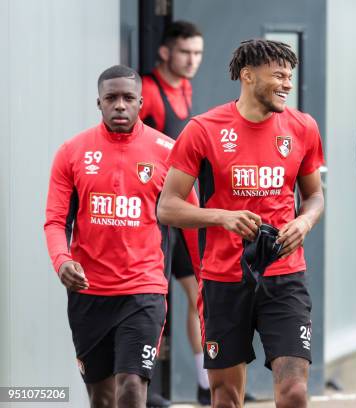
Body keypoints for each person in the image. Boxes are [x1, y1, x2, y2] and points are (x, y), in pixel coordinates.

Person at [157, 39, 325, 408]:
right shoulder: (202, 129)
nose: (288, 84)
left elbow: (314, 196)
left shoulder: (302, 127)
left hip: (285, 275)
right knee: (226, 397)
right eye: (278, 75)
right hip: (223, 280)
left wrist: (306, 221)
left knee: (295, 390)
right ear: (247, 76)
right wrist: (222, 216)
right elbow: (166, 208)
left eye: (290, 76)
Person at [44, 65, 198, 407]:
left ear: (141, 102)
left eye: (128, 98)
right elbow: (55, 220)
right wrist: (62, 261)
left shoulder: (168, 151)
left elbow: (192, 222)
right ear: (98, 102)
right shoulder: (72, 152)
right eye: (111, 98)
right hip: (89, 293)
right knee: (101, 398)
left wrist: (206, 283)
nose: (119, 105)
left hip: (144, 291)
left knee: (131, 386)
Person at [138, 20, 211, 406]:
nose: (192, 60)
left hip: (182, 208)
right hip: (150, 213)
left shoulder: (185, 87)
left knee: (199, 290)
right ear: (166, 52)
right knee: (150, 296)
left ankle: (204, 384)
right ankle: (143, 387)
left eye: (198, 53)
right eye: (185, 52)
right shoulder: (148, 91)